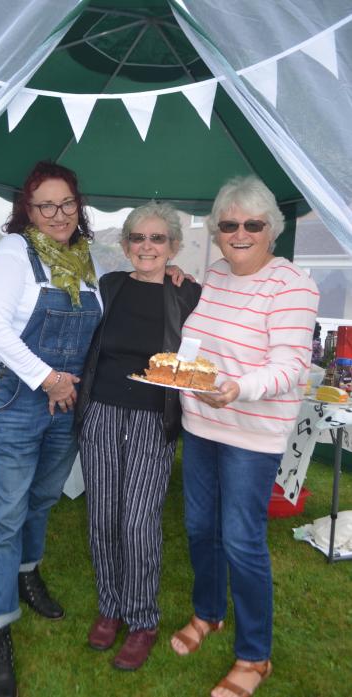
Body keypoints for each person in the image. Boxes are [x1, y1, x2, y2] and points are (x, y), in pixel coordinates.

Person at [170, 176, 319, 697]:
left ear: (270, 230)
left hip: (251, 432)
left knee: (241, 539)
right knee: (197, 527)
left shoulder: (293, 284)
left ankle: (255, 657)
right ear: (216, 231)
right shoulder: (214, 274)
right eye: (227, 224)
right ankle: (208, 613)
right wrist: (179, 372)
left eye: (251, 224)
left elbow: (290, 365)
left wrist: (239, 388)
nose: (238, 233)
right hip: (202, 423)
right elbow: (197, 338)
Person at [0, 161, 103, 697]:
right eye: (46, 205)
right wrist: (48, 378)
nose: (58, 215)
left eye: (67, 203)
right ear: (27, 210)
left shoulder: (84, 260)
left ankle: (27, 573)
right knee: (4, 512)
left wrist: (169, 275)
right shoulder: (13, 253)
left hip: (64, 398)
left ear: (79, 205)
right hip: (19, 396)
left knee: (43, 498)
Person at [76, 202, 201, 671]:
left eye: (157, 239)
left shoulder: (187, 294)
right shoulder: (110, 286)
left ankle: (143, 618)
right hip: (101, 412)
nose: (146, 246)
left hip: (153, 417)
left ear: (173, 246)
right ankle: (111, 607)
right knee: (103, 515)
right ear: (125, 244)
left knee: (138, 520)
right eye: (138, 238)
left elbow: (200, 351)